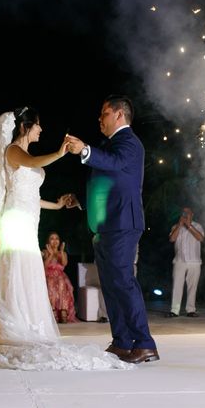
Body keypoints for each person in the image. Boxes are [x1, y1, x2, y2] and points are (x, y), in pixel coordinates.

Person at [0, 106, 130, 370]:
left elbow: (31, 197)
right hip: (17, 220)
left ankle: (29, 324)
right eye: (38, 125)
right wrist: (59, 152)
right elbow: (34, 164)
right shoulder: (13, 150)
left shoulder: (24, 154)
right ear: (25, 127)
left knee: (29, 269)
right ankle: (17, 326)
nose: (41, 129)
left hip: (28, 218)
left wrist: (57, 206)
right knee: (19, 268)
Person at [66, 95, 159, 364]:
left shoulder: (130, 143)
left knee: (123, 281)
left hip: (123, 224)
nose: (100, 119)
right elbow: (108, 183)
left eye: (104, 113)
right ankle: (122, 340)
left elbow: (115, 165)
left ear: (119, 115)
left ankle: (144, 342)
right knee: (111, 285)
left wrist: (85, 150)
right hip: (106, 226)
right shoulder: (111, 146)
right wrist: (81, 202)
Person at [167, 207, 205, 318]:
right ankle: (175, 310)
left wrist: (189, 225)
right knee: (177, 286)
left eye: (188, 212)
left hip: (195, 262)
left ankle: (191, 310)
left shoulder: (198, 226)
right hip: (179, 261)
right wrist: (180, 225)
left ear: (192, 214)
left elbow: (200, 238)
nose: (185, 214)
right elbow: (172, 239)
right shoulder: (176, 226)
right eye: (184, 212)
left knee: (192, 287)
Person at [42, 231, 76, 323]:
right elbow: (44, 266)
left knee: (61, 282)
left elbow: (64, 263)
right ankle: (53, 311)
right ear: (48, 241)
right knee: (51, 284)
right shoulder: (45, 252)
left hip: (60, 276)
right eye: (52, 239)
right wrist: (51, 254)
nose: (55, 241)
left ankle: (63, 311)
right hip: (48, 275)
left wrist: (60, 252)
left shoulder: (63, 253)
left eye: (56, 238)